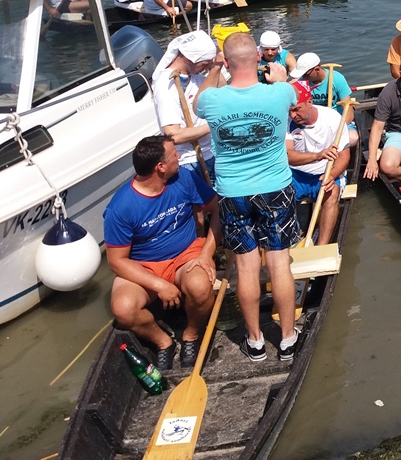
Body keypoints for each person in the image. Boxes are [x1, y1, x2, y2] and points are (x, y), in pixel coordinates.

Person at [194, 32, 302, 362]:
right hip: (274, 188)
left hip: (233, 191)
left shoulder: (212, 101)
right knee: (279, 263)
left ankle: (254, 340)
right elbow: (289, 92)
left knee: (246, 267)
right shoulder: (280, 92)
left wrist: (214, 70)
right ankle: (287, 337)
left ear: (226, 62)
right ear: (258, 57)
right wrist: (279, 75)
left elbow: (200, 99)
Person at [104, 135, 219, 370]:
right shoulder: (121, 207)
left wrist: (206, 253)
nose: (179, 156)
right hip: (145, 265)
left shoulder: (185, 178)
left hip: (186, 254)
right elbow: (117, 261)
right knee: (123, 310)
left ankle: (191, 334)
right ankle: (163, 341)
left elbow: (218, 211)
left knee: (200, 287)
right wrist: (159, 285)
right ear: (161, 167)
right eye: (174, 154)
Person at [286, 81, 350, 246]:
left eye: (296, 109)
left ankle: (321, 245)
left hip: (325, 173)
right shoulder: (286, 121)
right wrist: (318, 155)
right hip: (296, 174)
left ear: (309, 101)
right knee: (276, 193)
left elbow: (344, 157)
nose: (293, 115)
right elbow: (288, 156)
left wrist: (332, 175)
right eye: (289, 111)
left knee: (332, 192)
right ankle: (286, 242)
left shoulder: (333, 118)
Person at [152, 31, 221, 181]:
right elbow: (173, 135)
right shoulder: (167, 85)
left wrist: (217, 66)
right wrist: (214, 125)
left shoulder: (195, 75)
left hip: (208, 154)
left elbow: (222, 91)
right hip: (188, 162)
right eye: (205, 63)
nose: (208, 66)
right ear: (190, 57)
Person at [289, 52, 357, 145]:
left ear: (317, 69)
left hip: (338, 122)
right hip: (314, 122)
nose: (303, 77)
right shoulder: (302, 83)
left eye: (306, 74)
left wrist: (339, 130)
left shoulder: (337, 78)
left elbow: (348, 111)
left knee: (352, 137)